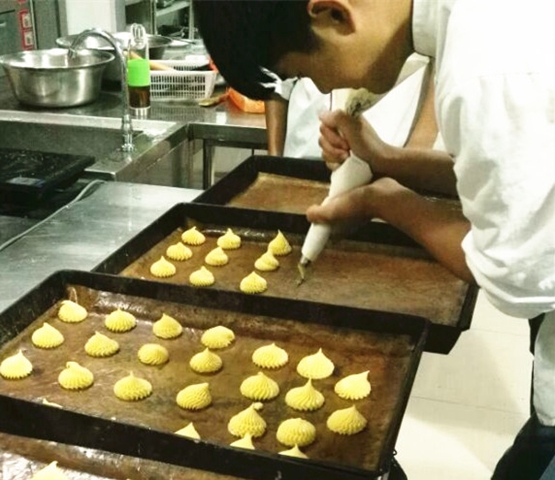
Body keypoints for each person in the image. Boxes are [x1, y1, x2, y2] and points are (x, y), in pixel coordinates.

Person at [193, 0, 555, 478]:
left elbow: (520, 271)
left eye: (305, 72)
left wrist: (387, 202)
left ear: (333, 15)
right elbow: (513, 181)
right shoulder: (479, 24)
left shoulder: (485, 67)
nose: (325, 89)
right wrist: (385, 159)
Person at [265, 54, 434, 158]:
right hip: (302, 151)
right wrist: (274, 161)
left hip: (388, 151)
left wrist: (414, 156)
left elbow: (438, 60)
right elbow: (275, 74)